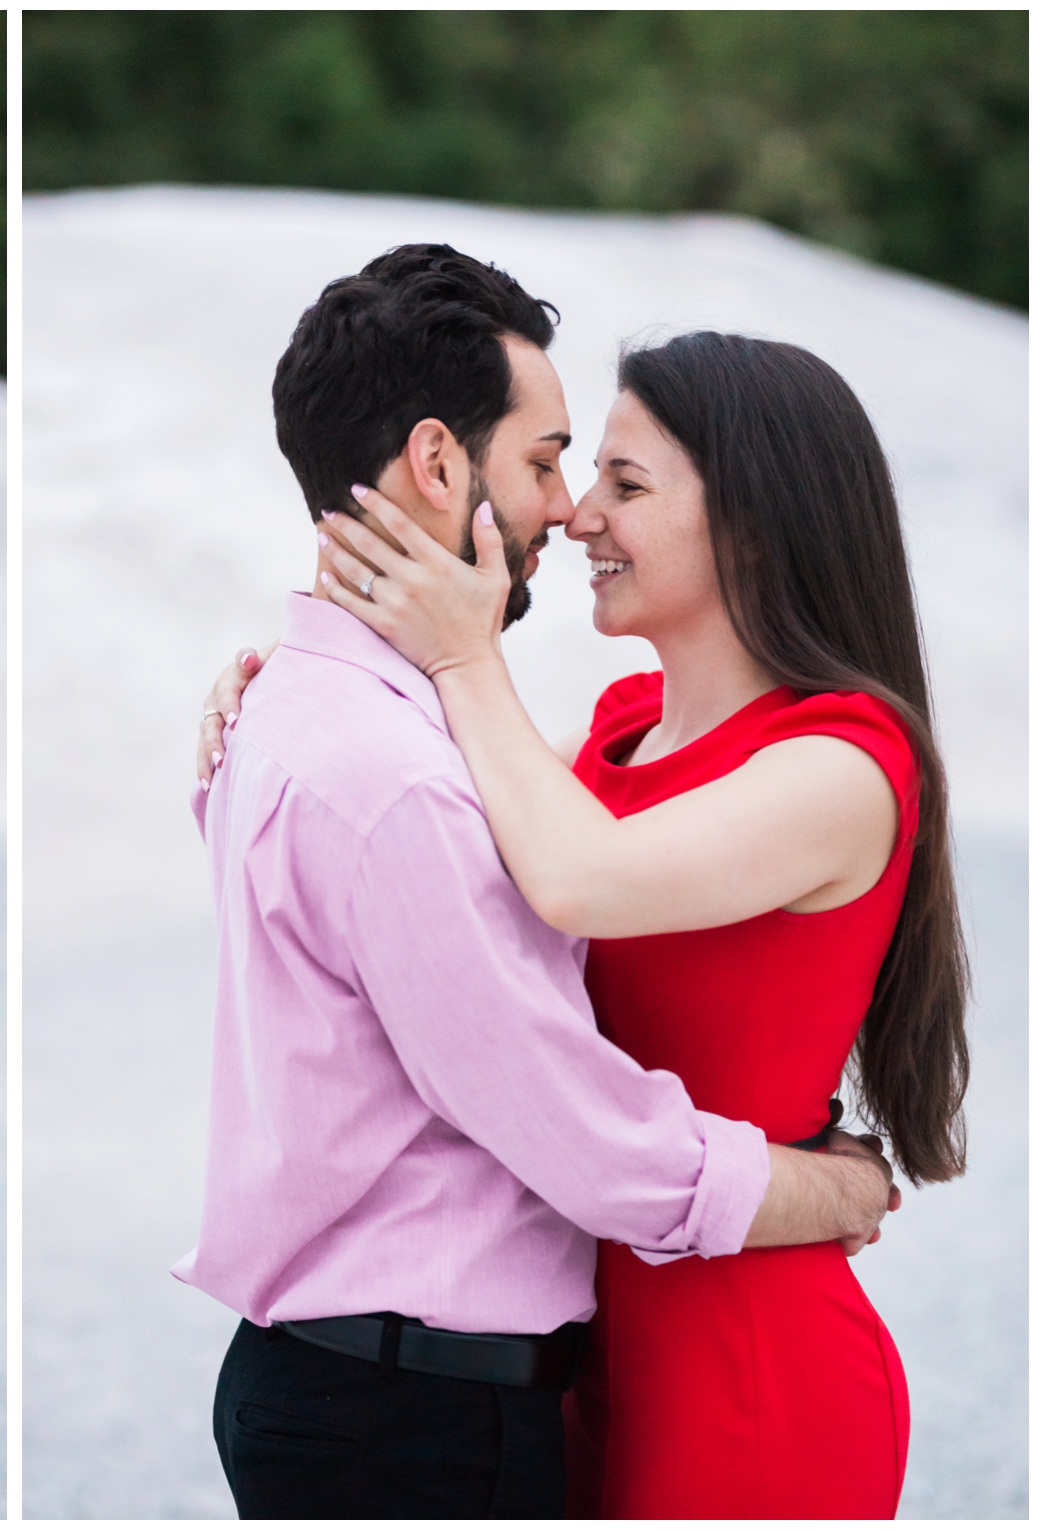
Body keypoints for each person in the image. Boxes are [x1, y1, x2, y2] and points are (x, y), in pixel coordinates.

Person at [179, 246, 903, 1519]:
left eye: (613, 478)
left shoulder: (828, 764)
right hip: (508, 1368)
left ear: (749, 514)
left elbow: (547, 873)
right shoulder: (538, 745)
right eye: (554, 461)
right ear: (438, 464)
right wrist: (824, 1184)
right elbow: (562, 1056)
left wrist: (417, 673)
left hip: (718, 1343)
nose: (569, 511)